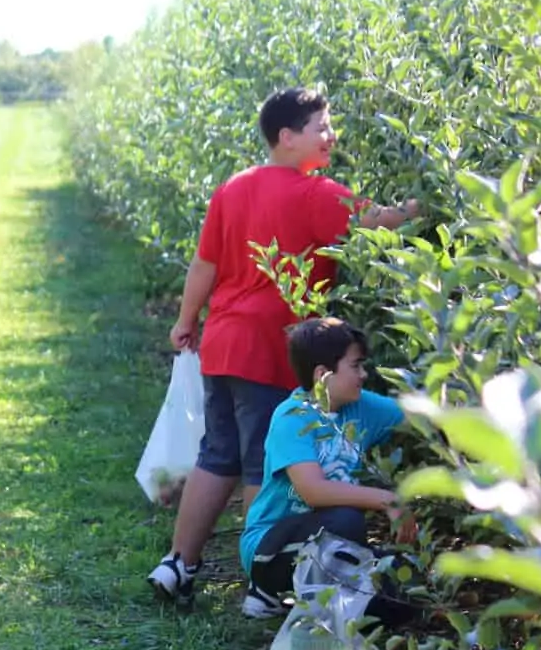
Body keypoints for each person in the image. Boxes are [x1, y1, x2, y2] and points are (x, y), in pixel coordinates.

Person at [148, 86, 419, 606]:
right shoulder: (315, 193)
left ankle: (178, 564)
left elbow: (204, 262)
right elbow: (376, 221)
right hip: (272, 347)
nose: (331, 135)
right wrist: (416, 206)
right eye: (322, 126)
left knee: (216, 455)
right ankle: (261, 587)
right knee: (263, 465)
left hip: (223, 342)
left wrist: (187, 319)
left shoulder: (233, 188)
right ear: (287, 137)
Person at [239, 317, 417, 619]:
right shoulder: (292, 417)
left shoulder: (361, 407)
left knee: (404, 587)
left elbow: (424, 418)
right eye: (355, 366)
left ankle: (332, 603)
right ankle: (267, 590)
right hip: (271, 549)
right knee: (345, 523)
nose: (364, 374)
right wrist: (387, 500)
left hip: (330, 542)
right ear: (323, 375)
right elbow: (313, 492)